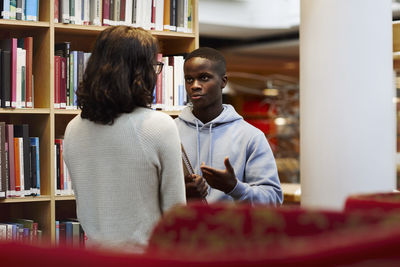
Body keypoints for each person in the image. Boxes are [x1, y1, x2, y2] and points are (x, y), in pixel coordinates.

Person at [63, 26, 186, 252]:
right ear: (141, 72)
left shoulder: (72, 129)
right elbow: (175, 218)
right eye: (153, 66)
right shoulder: (159, 126)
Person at [175, 47, 283, 205]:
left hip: (230, 228)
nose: (195, 85)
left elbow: (273, 200)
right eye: (189, 79)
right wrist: (179, 192)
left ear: (223, 82)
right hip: (181, 228)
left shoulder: (251, 136)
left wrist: (234, 187)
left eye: (204, 77)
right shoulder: (170, 131)